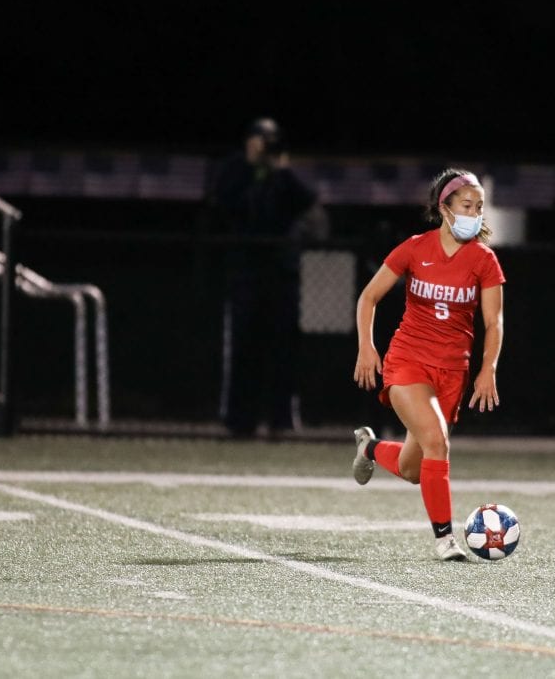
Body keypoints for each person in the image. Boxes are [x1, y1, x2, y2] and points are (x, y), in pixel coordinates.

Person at [352, 168, 506, 561]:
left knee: (411, 469)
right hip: (408, 361)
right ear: (445, 208)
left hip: (452, 371)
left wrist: (487, 369)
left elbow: (493, 322)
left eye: (479, 207)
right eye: (467, 206)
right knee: (438, 441)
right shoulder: (415, 248)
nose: (475, 213)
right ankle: (445, 540)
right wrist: (367, 348)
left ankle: (369, 449)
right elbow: (368, 297)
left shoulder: (483, 260)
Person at [205, 117, 327, 438]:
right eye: (260, 139)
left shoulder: (285, 176)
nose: (264, 146)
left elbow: (306, 199)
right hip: (247, 271)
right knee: (244, 346)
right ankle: (239, 421)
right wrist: (250, 166)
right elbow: (224, 202)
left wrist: (282, 169)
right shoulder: (235, 169)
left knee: (283, 347)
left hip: (281, 273)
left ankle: (280, 421)